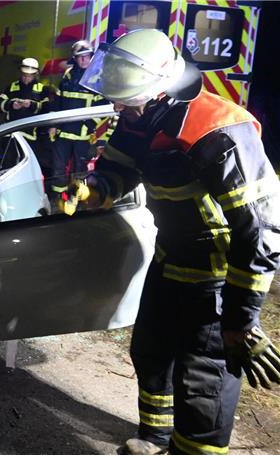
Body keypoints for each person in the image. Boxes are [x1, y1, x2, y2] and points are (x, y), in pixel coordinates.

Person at [69, 29, 280, 455]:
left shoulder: (219, 130)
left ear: (162, 89)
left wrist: (240, 322)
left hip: (217, 278)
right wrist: (94, 189)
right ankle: (156, 438)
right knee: (150, 351)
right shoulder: (140, 116)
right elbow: (119, 168)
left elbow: (261, 231)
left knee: (203, 380)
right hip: (170, 259)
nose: (117, 109)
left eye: (125, 101)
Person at [48, 40, 106, 196]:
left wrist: (89, 126)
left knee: (79, 170)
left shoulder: (96, 79)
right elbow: (58, 101)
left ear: (92, 57)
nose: (83, 60)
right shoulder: (68, 76)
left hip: (83, 135)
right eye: (80, 57)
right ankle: (57, 199)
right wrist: (53, 124)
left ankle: (77, 199)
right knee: (58, 168)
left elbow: (103, 110)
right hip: (63, 132)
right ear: (74, 58)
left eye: (87, 56)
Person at [0, 57, 52, 170]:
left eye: (29, 75)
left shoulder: (42, 89)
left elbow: (47, 108)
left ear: (35, 74)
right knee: (9, 165)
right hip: (11, 134)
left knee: (29, 166)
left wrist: (32, 105)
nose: (26, 78)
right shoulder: (11, 87)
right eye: (24, 74)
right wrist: (11, 104)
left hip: (32, 136)